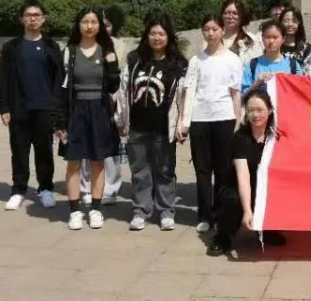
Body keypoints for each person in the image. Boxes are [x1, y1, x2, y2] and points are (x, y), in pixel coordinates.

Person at [118, 13, 188, 231]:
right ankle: (141, 211)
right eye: (153, 33)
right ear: (146, 35)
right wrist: (121, 119)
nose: (157, 38)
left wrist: (181, 124)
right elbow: (123, 91)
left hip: (163, 128)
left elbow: (183, 98)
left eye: (161, 34)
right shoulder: (134, 60)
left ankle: (166, 211)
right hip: (137, 126)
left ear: (169, 36)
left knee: (165, 170)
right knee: (139, 171)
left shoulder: (178, 64)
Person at [0, 0, 63, 211]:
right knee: (19, 151)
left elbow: (59, 80)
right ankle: (18, 190)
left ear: (43, 18)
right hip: (19, 109)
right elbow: (3, 79)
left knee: (44, 152)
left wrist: (57, 109)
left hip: (45, 108)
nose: (32, 19)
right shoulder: (12, 47)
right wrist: (4, 107)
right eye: (28, 15)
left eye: (36, 15)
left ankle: (45, 189)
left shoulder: (51, 46)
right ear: (22, 19)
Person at [57, 7, 121, 230]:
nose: (89, 26)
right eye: (85, 21)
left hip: (99, 110)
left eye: (94, 22)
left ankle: (95, 209)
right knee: (73, 162)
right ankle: (75, 211)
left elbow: (113, 86)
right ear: (78, 24)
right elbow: (61, 88)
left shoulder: (106, 51)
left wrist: (112, 65)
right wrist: (60, 121)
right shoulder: (70, 52)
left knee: (97, 162)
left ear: (100, 26)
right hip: (75, 111)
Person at [179, 15, 244, 234]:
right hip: (200, 119)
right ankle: (204, 215)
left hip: (224, 118)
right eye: (206, 29)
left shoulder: (233, 59)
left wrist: (237, 123)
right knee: (202, 169)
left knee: (223, 170)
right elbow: (189, 92)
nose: (210, 33)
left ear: (222, 30)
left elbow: (236, 94)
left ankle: (220, 214)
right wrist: (184, 122)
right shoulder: (196, 60)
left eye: (215, 29)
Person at [209, 89, 287, 256]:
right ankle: (223, 236)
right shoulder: (240, 138)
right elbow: (243, 176)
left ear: (270, 110)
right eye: (251, 110)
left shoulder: (276, 137)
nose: (255, 115)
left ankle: (267, 230)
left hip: (265, 185)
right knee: (233, 201)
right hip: (239, 186)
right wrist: (247, 210)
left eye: (260, 110)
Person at [79, 8, 125, 207]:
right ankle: (85, 187)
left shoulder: (119, 46)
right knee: (84, 147)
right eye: (101, 24)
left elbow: (123, 75)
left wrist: (115, 98)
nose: (104, 28)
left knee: (110, 148)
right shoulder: (83, 44)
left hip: (111, 101)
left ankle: (110, 188)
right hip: (86, 101)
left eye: (108, 25)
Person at [242, 21, 304, 94]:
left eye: (275, 37)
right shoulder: (252, 65)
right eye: (267, 37)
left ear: (283, 39)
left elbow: (301, 92)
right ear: (262, 38)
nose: (271, 41)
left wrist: (287, 80)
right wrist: (257, 83)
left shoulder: (293, 65)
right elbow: (243, 94)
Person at [220, 0, 263, 66]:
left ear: (242, 17)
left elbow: (257, 66)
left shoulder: (251, 41)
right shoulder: (213, 39)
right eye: (227, 13)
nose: (230, 16)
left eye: (235, 13)